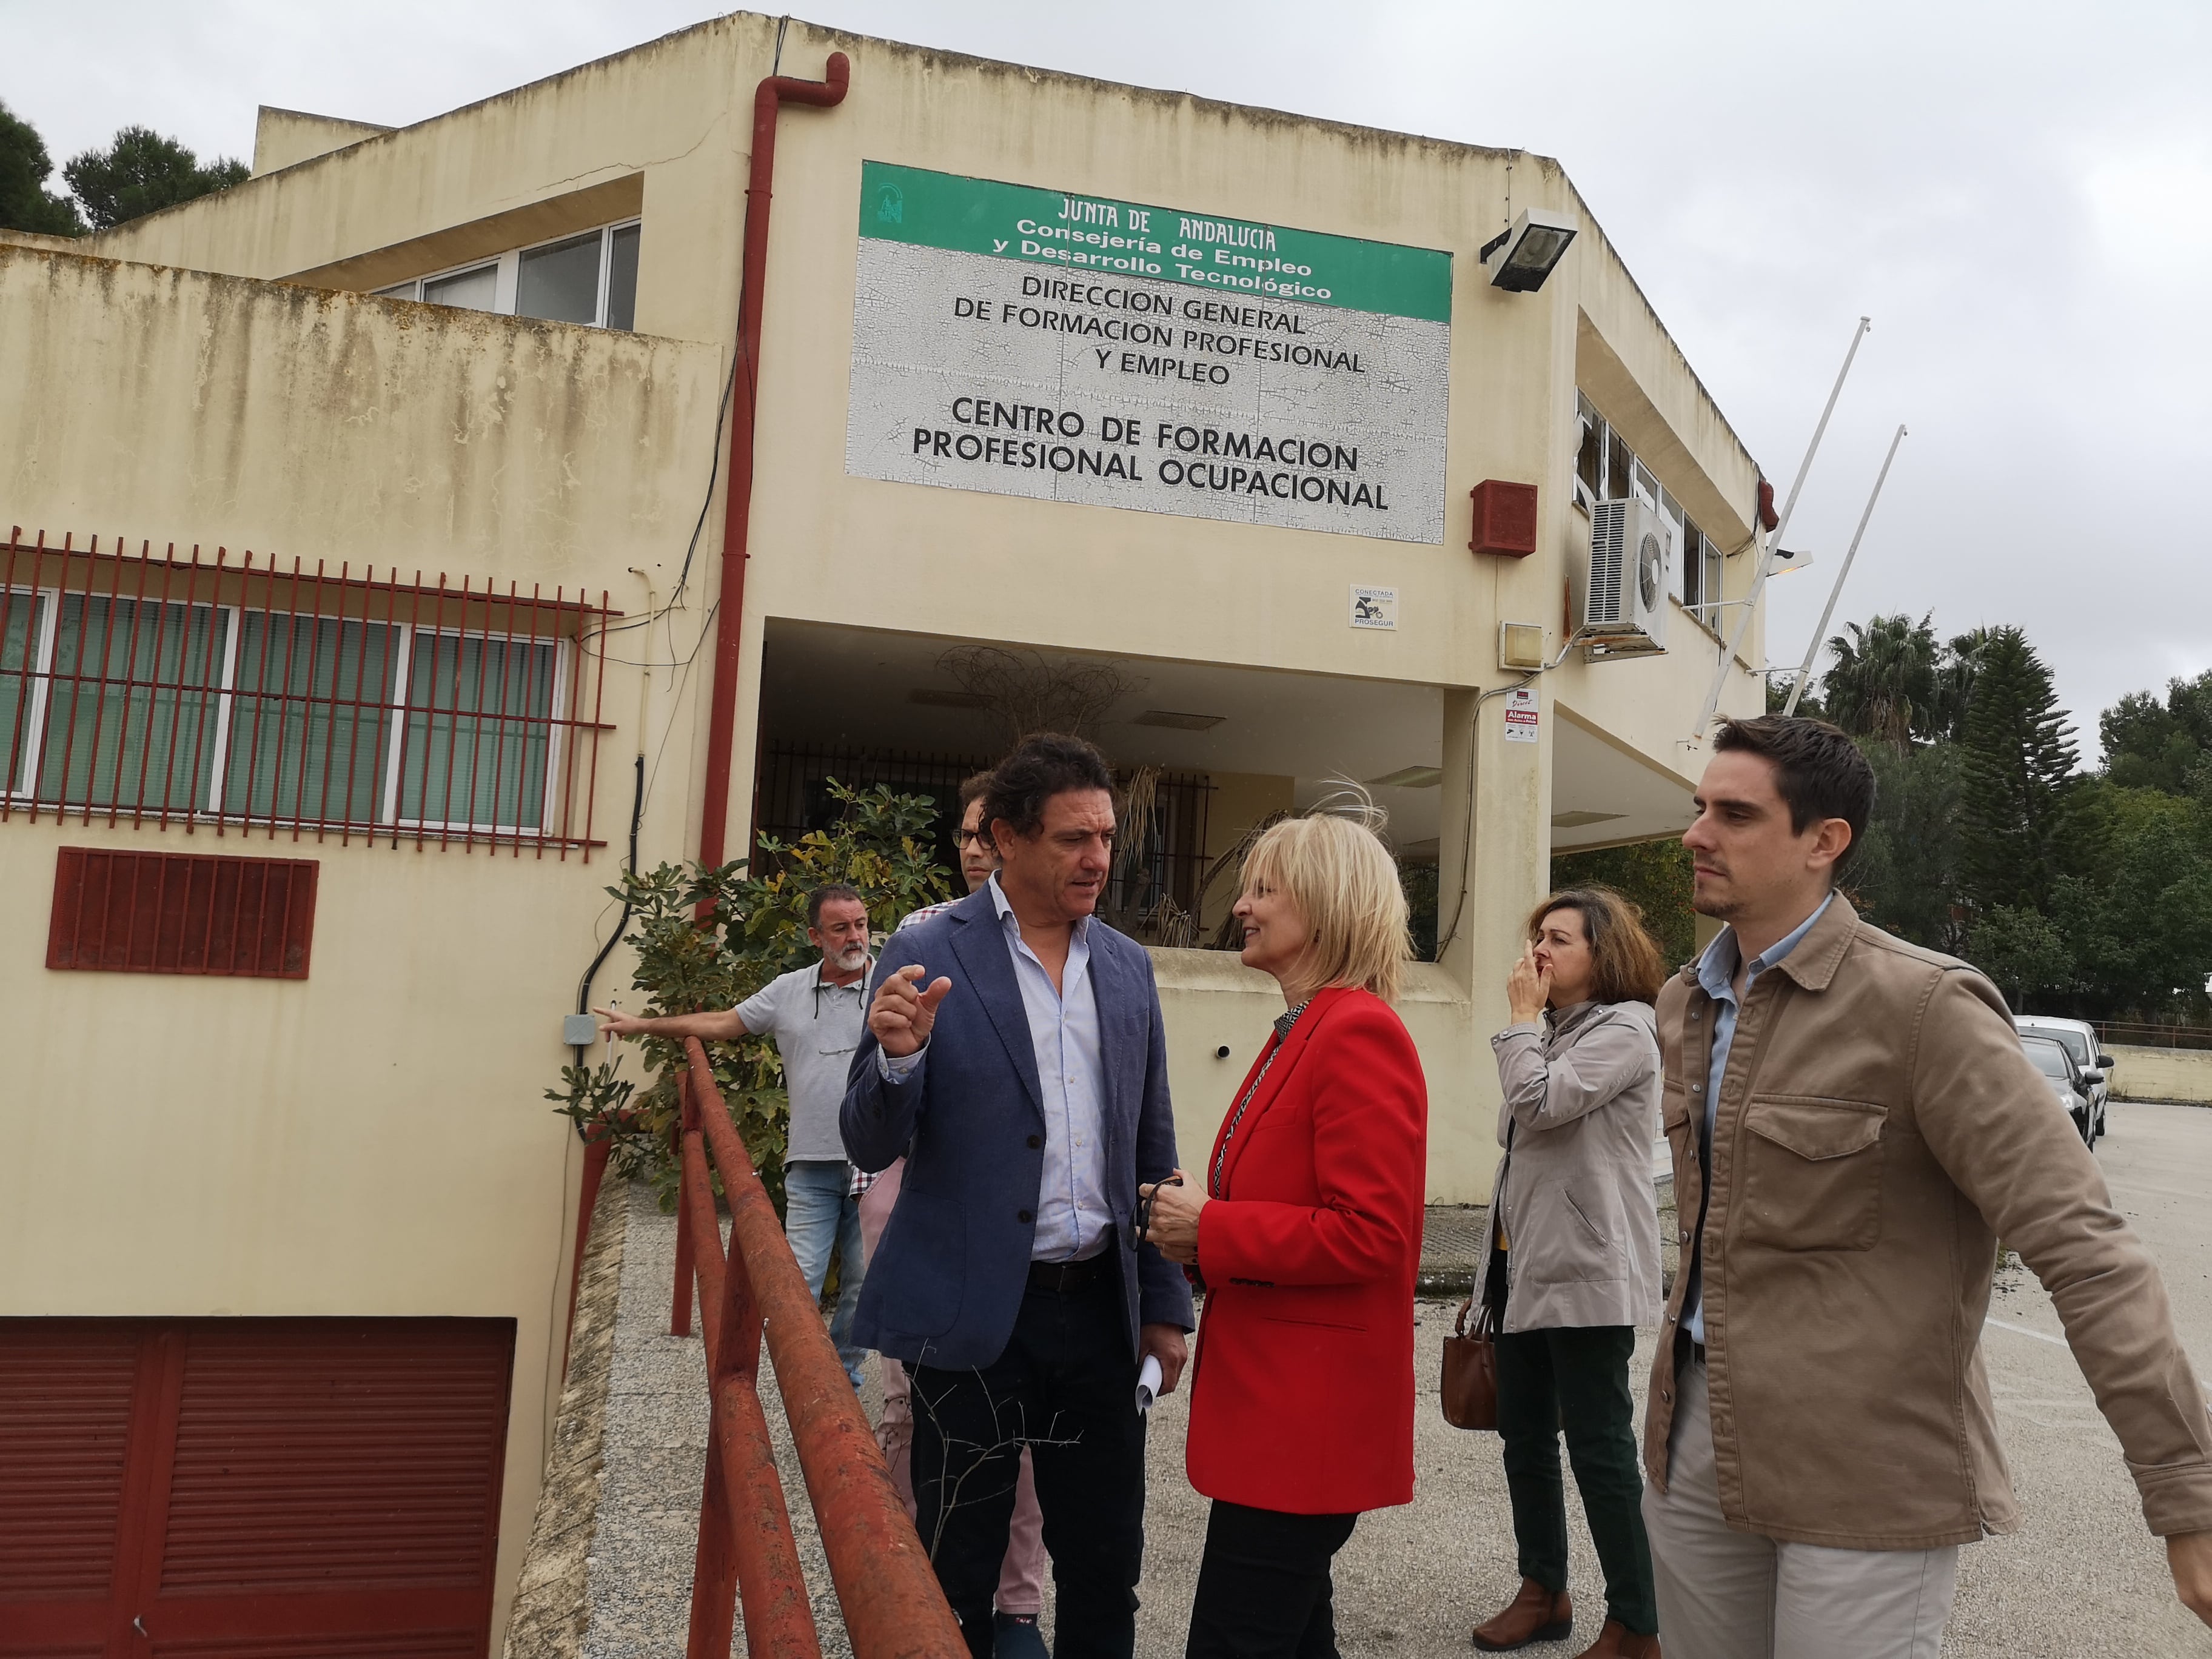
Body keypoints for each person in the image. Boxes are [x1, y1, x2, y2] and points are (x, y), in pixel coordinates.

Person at [1643, 714, 2212, 1657]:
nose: (1696, 834)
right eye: (1700, 807)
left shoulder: (1924, 1009)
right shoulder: (1685, 1003)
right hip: (1692, 1441)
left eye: (1734, 814)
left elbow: (2087, 1251)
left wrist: (2187, 1498)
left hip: (1868, 1462)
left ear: (1825, 844)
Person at [842, 733, 1194, 1659]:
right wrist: (898, 1058)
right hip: (973, 1323)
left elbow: (1151, 1148)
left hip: (1097, 1317)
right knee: (955, 1561)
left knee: (1104, 1565)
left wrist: (1163, 1307)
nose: (1100, 860)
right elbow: (869, 1139)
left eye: (1108, 837)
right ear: (1005, 837)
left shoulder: (1125, 966)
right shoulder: (926, 948)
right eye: (1076, 839)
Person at [1141, 800, 1428, 1659]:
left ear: (1323, 905)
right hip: (1285, 1415)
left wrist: (1214, 1228)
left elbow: (1373, 1235)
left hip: (1306, 1422)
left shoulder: (1355, 1031)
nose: (1242, 904)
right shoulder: (1308, 1026)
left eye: (1264, 888)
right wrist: (1198, 1220)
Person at [859, 771, 1052, 1659]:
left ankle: (1017, 1605)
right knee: (914, 1416)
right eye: (969, 833)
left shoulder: (1067, 956)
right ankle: (917, 1581)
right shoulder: (923, 941)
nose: (977, 846)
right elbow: (871, 1115)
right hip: (914, 1214)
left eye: (991, 832)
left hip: (1010, 1231)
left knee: (1021, 1443)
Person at [1471, 888, 1666, 1659]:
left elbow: (1537, 1102)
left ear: (1602, 954)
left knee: (1599, 1447)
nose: (1540, 952)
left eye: (1559, 939)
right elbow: (1516, 1129)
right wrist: (1532, 1029)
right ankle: (1543, 1590)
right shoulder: (1556, 1029)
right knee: (1523, 1436)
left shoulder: (1629, 1031)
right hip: (1523, 1265)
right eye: (1537, 937)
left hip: (1586, 1269)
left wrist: (1520, 1026)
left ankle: (1638, 1621)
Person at [598, 883, 876, 1390]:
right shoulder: (790, 990)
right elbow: (723, 1022)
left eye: (860, 924)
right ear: (816, 936)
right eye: (841, 928)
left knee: (864, 1283)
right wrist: (641, 1024)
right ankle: (809, 1380)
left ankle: (845, 1377)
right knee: (796, 1286)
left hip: (875, 1166)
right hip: (811, 1165)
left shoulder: (889, 988)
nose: (856, 936)